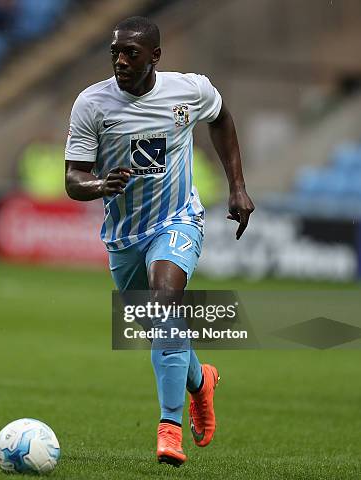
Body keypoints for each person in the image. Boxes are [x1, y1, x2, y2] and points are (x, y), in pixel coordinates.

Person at [64, 16, 254, 467]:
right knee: (161, 330)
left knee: (165, 302)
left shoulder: (188, 90)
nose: (120, 60)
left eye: (131, 52)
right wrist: (100, 186)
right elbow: (73, 179)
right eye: (115, 51)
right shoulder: (92, 104)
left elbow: (222, 118)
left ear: (155, 57)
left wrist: (237, 186)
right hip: (123, 235)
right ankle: (200, 381)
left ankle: (169, 428)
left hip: (178, 219)